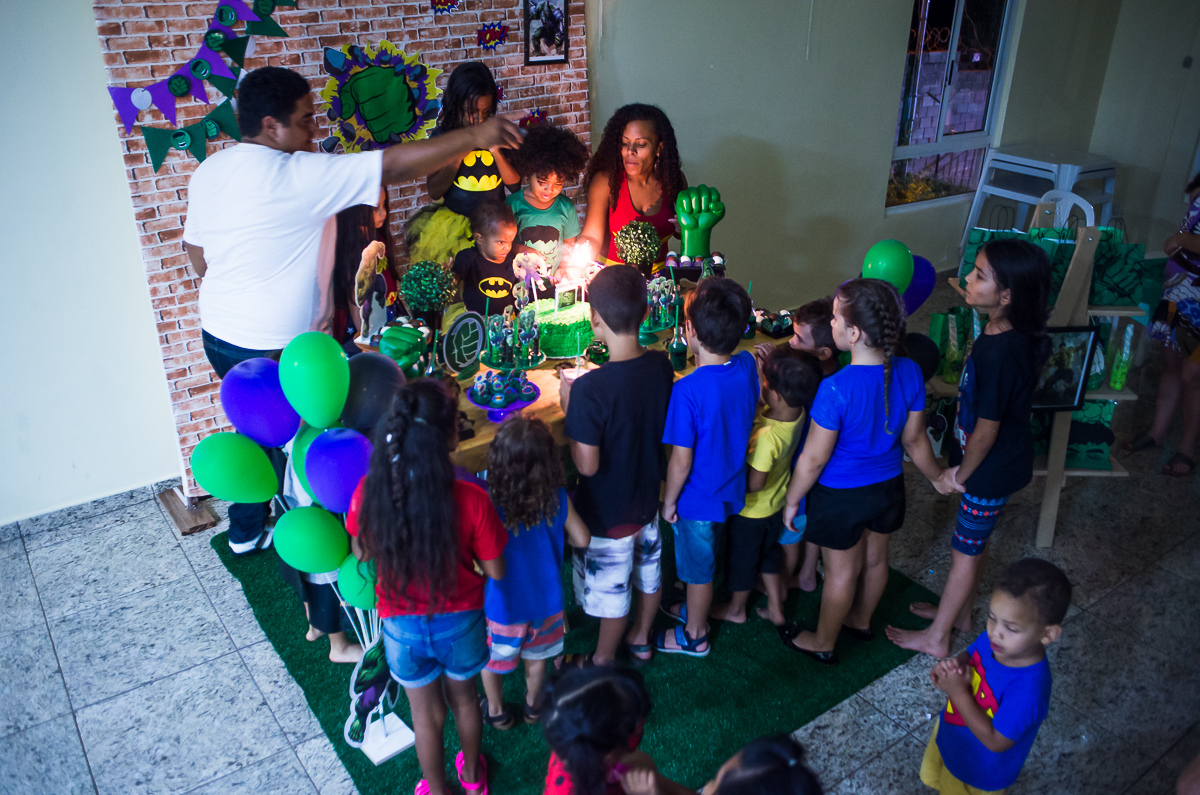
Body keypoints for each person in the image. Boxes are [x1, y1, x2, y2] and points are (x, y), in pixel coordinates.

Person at [183, 66, 521, 555]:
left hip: (219, 335)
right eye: (305, 119)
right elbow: (394, 165)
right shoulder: (298, 172)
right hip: (281, 348)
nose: (314, 129)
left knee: (256, 427)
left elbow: (196, 255)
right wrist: (476, 136)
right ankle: (326, 541)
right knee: (316, 437)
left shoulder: (211, 170)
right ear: (272, 126)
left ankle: (246, 531)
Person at [780, 279, 959, 665]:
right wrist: (938, 477)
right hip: (888, 489)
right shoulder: (910, 371)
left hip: (841, 497)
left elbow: (813, 459)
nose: (831, 323)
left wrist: (793, 499)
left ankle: (823, 641)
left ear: (854, 333)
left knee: (841, 573)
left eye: (835, 318)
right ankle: (860, 620)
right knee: (877, 561)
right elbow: (915, 441)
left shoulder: (835, 388)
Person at [887, 240, 1051, 658]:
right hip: (989, 465)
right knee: (976, 542)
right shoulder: (1002, 333)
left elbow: (986, 432)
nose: (968, 279)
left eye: (980, 276)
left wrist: (958, 474)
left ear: (1007, 295)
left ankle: (938, 637)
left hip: (988, 470)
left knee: (964, 551)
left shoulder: (1000, 351)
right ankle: (959, 614)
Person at [354, 380, 508, 795]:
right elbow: (496, 571)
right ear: (450, 437)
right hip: (461, 622)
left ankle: (437, 790)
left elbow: (362, 550)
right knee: (465, 700)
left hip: (400, 626)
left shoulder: (369, 493)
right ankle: (472, 778)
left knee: (425, 716)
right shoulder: (473, 498)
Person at [561, 265, 675, 667]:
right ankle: (641, 638)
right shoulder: (662, 365)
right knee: (649, 573)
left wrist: (571, 410)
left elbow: (587, 466)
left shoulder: (589, 390)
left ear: (594, 320)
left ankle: (603, 659)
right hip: (647, 499)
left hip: (608, 513)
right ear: (645, 313)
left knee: (613, 593)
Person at [657, 277, 759, 657]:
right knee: (707, 555)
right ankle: (694, 608)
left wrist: (669, 502)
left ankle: (695, 633)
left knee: (699, 570)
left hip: (698, 499)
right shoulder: (746, 365)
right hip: (731, 486)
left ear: (691, 331)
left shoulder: (687, 391)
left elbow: (681, 460)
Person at [921, 558, 1071, 795]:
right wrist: (953, 667)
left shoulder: (1028, 692)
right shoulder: (996, 642)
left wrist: (957, 690)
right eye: (992, 617)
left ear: (1048, 634)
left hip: (977, 773)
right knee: (936, 777)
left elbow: (996, 741)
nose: (995, 632)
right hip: (953, 736)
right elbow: (970, 654)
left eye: (1011, 628)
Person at [479, 415, 591, 730]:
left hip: (502, 607)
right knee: (538, 660)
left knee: (492, 660)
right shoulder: (557, 499)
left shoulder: (489, 504)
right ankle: (533, 708)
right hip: (547, 604)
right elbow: (582, 538)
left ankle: (497, 711)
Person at [710, 347, 821, 627]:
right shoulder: (797, 413)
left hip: (752, 512)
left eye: (765, 383)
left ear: (776, 394)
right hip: (776, 505)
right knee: (769, 555)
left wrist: (727, 487)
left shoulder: (766, 438)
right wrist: (764, 375)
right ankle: (775, 606)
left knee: (743, 561)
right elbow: (766, 408)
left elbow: (755, 484)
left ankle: (736, 609)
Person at [755, 297, 841, 599]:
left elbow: (775, 405)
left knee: (789, 531)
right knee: (801, 525)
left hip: (801, 477)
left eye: (798, 339)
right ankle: (805, 574)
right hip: (816, 477)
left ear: (823, 352)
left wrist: (770, 371)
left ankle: (782, 583)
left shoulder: (816, 391)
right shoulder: (828, 374)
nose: (790, 342)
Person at [407, 62, 521, 266]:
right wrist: (458, 152)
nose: (479, 120)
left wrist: (496, 151)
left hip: (495, 228)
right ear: (456, 105)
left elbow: (514, 186)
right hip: (455, 227)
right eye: (472, 111)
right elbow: (434, 191)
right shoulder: (443, 137)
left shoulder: (496, 133)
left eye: (486, 112)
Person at [1127, 171, 1200, 476]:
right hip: (1179, 291)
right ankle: (1158, 431)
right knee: (1170, 364)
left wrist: (1180, 239)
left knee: (1192, 376)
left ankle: (1187, 447)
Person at [541, 667, 688, 795]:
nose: (640, 725)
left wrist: (635, 769)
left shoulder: (582, 742)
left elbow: (645, 765)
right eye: (635, 724)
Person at [577, 104, 685, 276]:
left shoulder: (673, 179)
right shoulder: (605, 181)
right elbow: (591, 236)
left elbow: (682, 234)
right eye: (624, 142)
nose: (630, 151)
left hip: (661, 280)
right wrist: (574, 264)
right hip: (612, 277)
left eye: (641, 144)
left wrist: (683, 229)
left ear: (659, 148)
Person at [505, 123, 591, 276]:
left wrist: (563, 270)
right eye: (542, 182)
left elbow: (569, 246)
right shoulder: (513, 205)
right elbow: (504, 243)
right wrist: (523, 250)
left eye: (558, 184)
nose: (549, 189)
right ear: (529, 172)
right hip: (520, 281)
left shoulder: (566, 207)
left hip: (554, 281)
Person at [330, 187, 402, 352]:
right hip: (365, 329)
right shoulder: (355, 252)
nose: (383, 213)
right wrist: (369, 339)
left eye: (384, 205)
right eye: (375, 208)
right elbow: (357, 300)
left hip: (388, 313)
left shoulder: (378, 238)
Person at [452, 200, 519, 316]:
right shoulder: (468, 258)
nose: (508, 247)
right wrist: (448, 278)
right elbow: (453, 283)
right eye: (501, 242)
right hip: (477, 321)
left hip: (507, 321)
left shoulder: (513, 261)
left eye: (511, 241)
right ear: (479, 239)